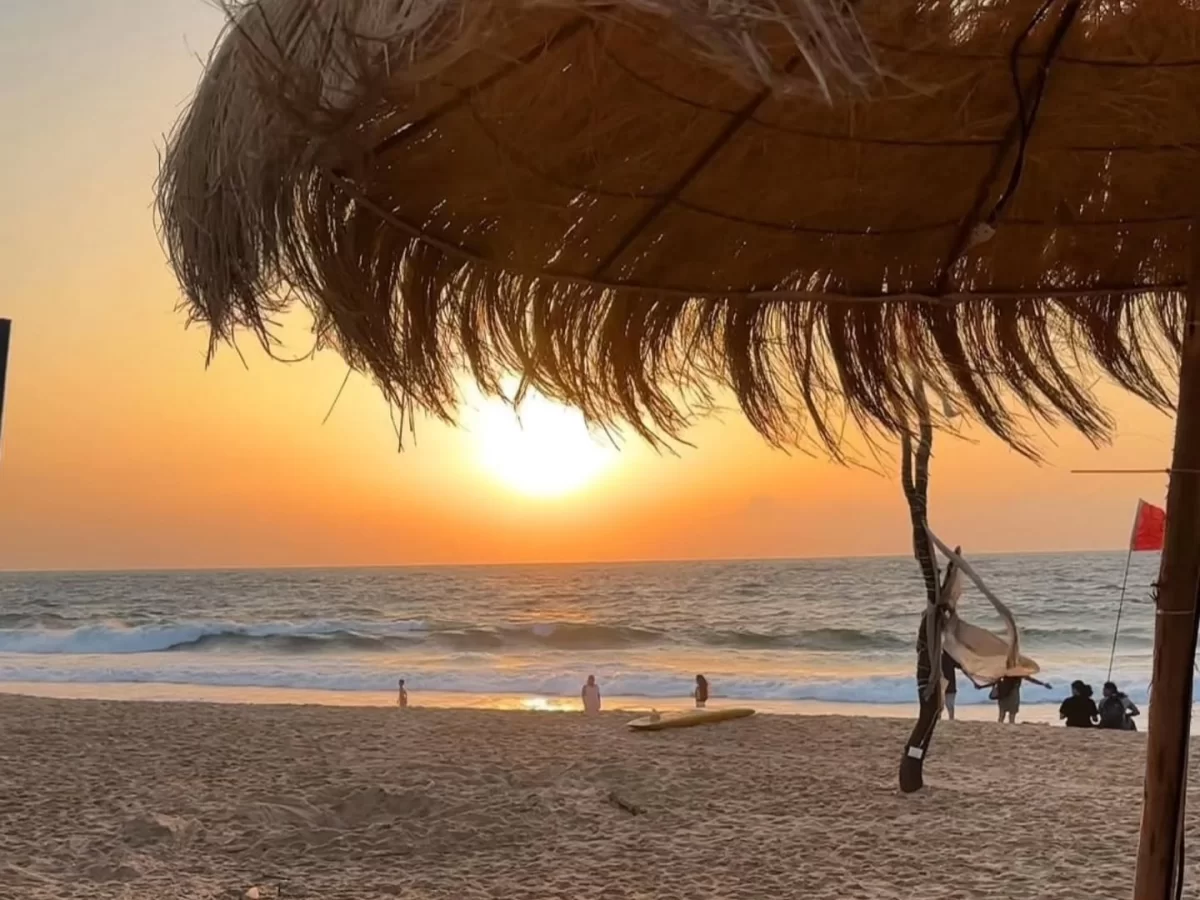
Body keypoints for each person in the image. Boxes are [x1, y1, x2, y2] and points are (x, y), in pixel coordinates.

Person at [942, 652, 959, 720]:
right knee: (950, 705)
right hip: (951, 685)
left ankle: (939, 718)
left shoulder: (940, 658)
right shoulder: (951, 658)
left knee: (941, 704)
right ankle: (951, 718)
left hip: (942, 684)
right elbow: (960, 665)